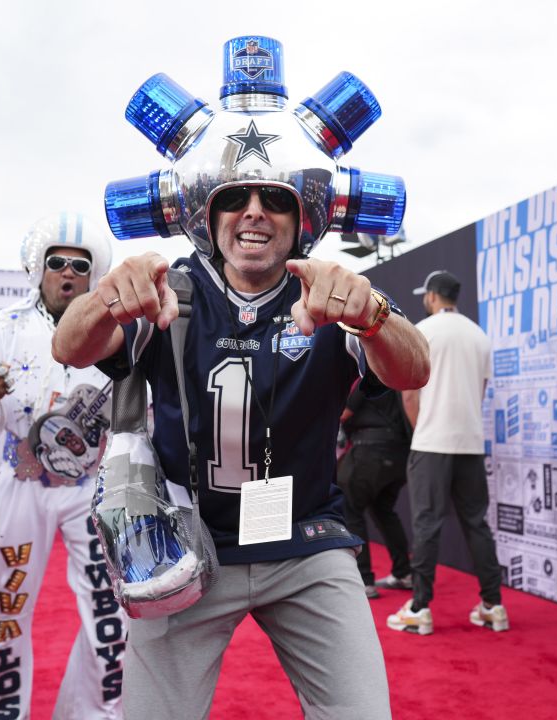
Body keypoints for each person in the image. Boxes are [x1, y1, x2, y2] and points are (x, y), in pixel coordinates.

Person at [53, 188, 429, 718]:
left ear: (301, 221)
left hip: (305, 545)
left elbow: (414, 369)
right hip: (187, 548)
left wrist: (373, 315)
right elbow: (70, 347)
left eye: (275, 198)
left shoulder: (325, 293)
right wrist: (105, 297)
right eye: (235, 198)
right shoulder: (175, 290)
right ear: (211, 217)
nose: (254, 211)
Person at [0, 213, 126, 720]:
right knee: (4, 610)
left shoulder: (115, 333)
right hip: (20, 482)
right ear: (39, 269)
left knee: (109, 612)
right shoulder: (3, 325)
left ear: (93, 274)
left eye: (79, 265)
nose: (68, 273)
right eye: (57, 264)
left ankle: (97, 712)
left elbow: (142, 406)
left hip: (92, 489)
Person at [387, 270, 506, 636]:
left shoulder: (422, 330)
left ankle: (420, 608)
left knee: (426, 524)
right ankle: (493, 606)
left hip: (431, 443)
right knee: (477, 523)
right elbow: (482, 390)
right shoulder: (479, 335)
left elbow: (408, 393)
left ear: (432, 296)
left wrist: (423, 427)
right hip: (469, 442)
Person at [336, 382, 414, 599]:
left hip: (370, 452)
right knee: (384, 511)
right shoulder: (398, 377)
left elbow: (342, 414)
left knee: (351, 510)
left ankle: (364, 580)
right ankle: (404, 572)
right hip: (400, 455)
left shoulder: (368, 379)